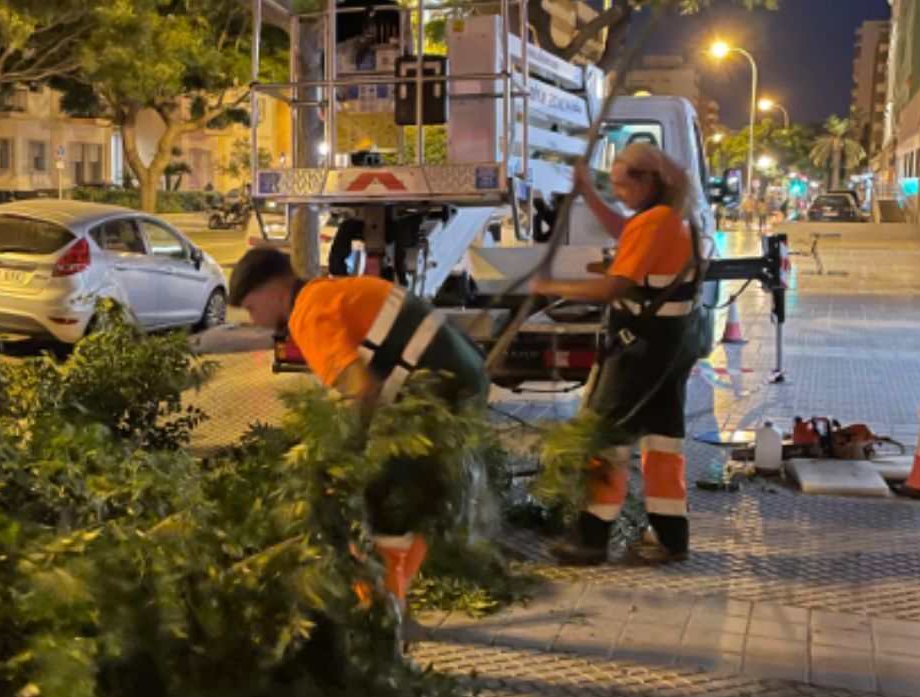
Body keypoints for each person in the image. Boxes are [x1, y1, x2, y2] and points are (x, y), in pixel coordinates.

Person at [228, 248, 490, 603]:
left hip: (440, 387)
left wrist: (341, 461)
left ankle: (382, 609)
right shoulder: (327, 292)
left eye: (252, 308)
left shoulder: (307, 315)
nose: (254, 320)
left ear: (274, 293)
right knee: (415, 492)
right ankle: (394, 590)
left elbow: (361, 391)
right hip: (461, 373)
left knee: (381, 493)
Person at [529, 143, 701, 565]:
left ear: (649, 181)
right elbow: (625, 230)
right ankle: (669, 537)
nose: (620, 194)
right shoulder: (671, 217)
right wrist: (589, 192)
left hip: (641, 351)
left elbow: (612, 288)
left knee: (603, 438)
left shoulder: (657, 221)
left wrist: (550, 288)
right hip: (671, 345)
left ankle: (589, 540)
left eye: (624, 187)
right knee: (662, 441)